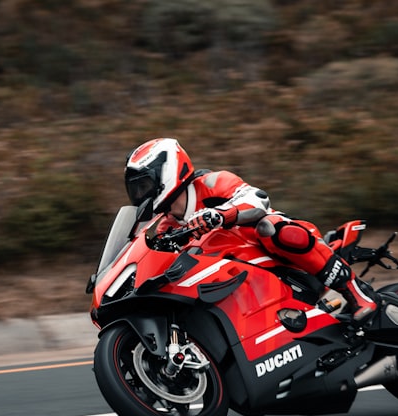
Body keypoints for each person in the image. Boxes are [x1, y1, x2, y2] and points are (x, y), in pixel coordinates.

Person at [123, 137, 378, 323]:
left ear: (167, 173)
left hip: (269, 251)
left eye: (144, 186)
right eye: (135, 190)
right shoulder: (166, 227)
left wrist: (221, 215)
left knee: (273, 228)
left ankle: (356, 293)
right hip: (235, 282)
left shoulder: (211, 183)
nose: (140, 195)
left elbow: (259, 200)